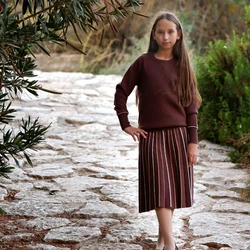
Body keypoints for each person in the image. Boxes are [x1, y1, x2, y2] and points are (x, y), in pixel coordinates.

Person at [114, 11, 202, 250]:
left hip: (178, 136)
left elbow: (191, 108)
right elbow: (121, 92)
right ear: (154, 34)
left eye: (170, 32)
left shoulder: (182, 66)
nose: (165, 37)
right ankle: (171, 245)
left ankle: (162, 240)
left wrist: (192, 142)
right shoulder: (143, 62)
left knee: (170, 190)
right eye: (161, 32)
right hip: (151, 137)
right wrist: (126, 124)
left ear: (179, 35)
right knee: (160, 189)